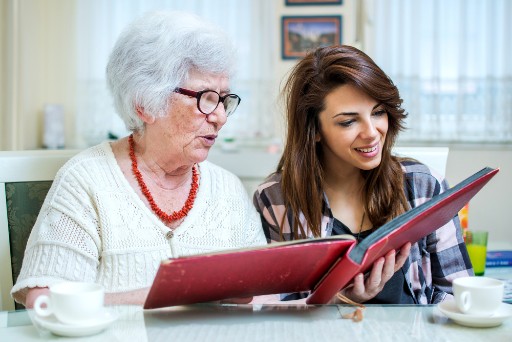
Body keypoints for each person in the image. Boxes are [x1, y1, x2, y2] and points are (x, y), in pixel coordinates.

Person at [11, 10, 266, 308]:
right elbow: (45, 301)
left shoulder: (228, 190)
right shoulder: (86, 181)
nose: (220, 117)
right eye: (205, 98)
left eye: (223, 99)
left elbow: (263, 294)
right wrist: (179, 294)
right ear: (145, 104)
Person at [253, 45, 473, 304]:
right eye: (348, 121)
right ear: (314, 130)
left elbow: (460, 295)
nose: (372, 132)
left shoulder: (424, 185)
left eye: (378, 112)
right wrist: (335, 299)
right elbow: (271, 312)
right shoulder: (276, 199)